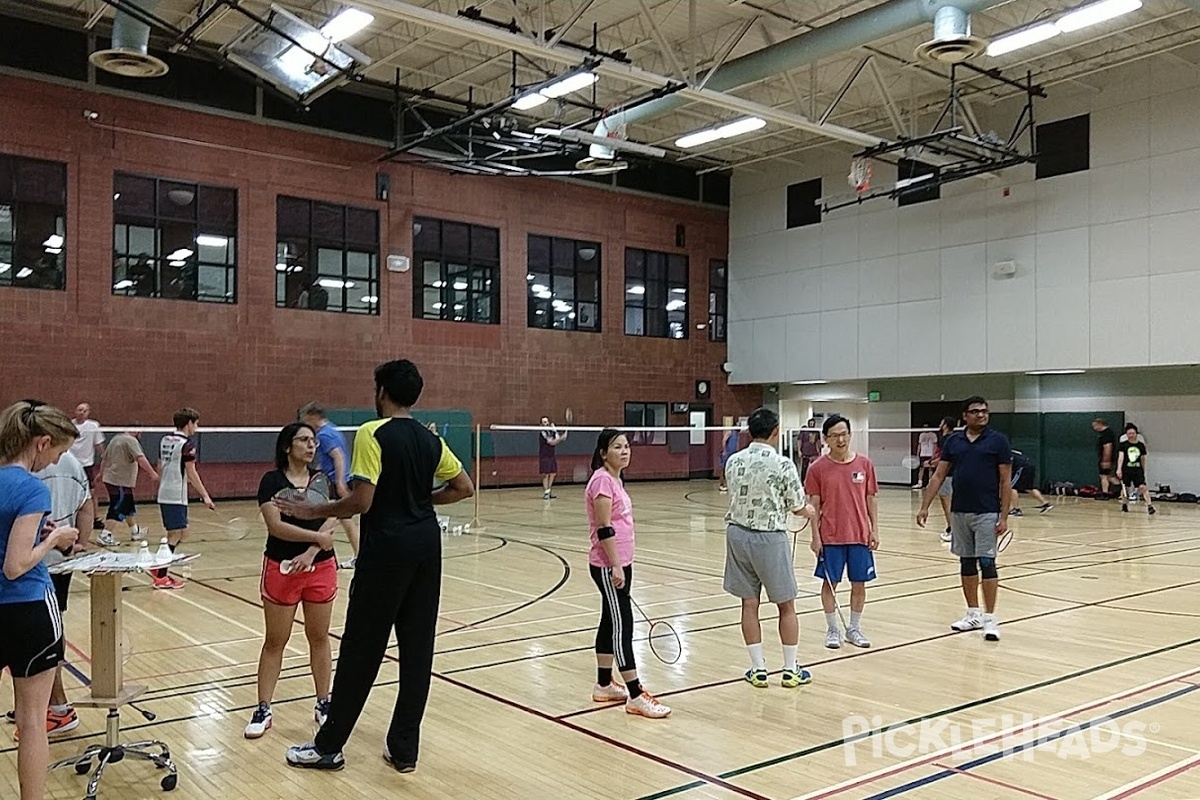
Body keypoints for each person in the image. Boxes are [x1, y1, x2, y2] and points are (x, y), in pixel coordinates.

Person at [280, 359, 474, 773]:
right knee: (418, 649)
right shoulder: (429, 439)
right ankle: (404, 750)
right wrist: (423, 502)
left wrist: (318, 509)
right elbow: (464, 488)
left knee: (361, 649)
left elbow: (362, 501)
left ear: (382, 392)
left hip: (387, 549)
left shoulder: (373, 432)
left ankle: (329, 746)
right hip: (426, 546)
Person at [0, 400, 80, 800]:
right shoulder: (32, 488)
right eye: (58, 453)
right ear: (40, 443)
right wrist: (51, 539)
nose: (54, 462)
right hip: (29, 611)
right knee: (32, 721)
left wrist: (33, 530)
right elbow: (14, 566)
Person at [245, 422, 338, 740]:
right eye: (303, 440)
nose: (311, 446)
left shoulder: (322, 480)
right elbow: (275, 526)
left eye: (313, 441)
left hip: (320, 567)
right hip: (281, 568)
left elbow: (333, 516)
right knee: (275, 640)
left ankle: (324, 703)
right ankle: (263, 708)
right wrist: (316, 538)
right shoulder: (271, 481)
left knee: (319, 637)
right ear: (288, 446)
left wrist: (312, 552)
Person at [723, 407, 813, 689]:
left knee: (749, 603)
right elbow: (798, 506)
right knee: (786, 605)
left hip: (737, 536)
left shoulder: (733, 461)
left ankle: (758, 669)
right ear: (775, 432)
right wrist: (809, 510)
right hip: (769, 539)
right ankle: (790, 670)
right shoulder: (783, 464)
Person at [584, 428, 672, 718]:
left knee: (610, 620)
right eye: (617, 447)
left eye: (626, 446)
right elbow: (604, 526)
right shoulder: (601, 482)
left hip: (619, 561)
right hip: (610, 564)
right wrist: (616, 565)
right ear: (602, 453)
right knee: (623, 623)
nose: (624, 451)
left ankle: (603, 684)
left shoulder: (614, 480)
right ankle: (635, 694)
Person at [917, 396, 1011, 642]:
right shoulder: (953, 442)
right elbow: (938, 476)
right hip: (960, 512)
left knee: (987, 563)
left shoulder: (998, 441)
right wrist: (924, 506)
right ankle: (973, 613)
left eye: (984, 411)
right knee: (966, 562)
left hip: (987, 512)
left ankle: (990, 618)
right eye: (975, 411)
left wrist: (1004, 516)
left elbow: (1005, 481)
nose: (981, 415)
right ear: (965, 416)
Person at [23, 447, 92, 740]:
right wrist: (81, 546)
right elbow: (87, 507)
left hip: (37, 565)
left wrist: (59, 541)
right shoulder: (74, 462)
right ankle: (37, 704)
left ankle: (58, 707)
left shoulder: (28, 474)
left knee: (44, 638)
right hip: (57, 561)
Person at [806, 415, 878, 650]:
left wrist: (874, 529)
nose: (841, 439)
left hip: (859, 535)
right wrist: (815, 537)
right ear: (826, 439)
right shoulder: (817, 468)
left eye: (844, 434)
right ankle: (832, 629)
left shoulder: (865, 464)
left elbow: (870, 499)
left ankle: (854, 628)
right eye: (835, 435)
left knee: (860, 583)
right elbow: (813, 505)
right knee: (830, 584)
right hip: (831, 537)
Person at [153, 408, 214, 590]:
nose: (197, 427)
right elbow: (192, 472)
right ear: (189, 423)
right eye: (196, 423)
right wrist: (205, 496)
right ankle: (161, 576)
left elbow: (160, 466)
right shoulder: (187, 445)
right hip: (175, 495)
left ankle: (159, 566)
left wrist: (162, 483)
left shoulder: (165, 439)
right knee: (175, 534)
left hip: (166, 492)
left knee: (183, 532)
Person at [299, 403, 359, 569]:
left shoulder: (325, 435)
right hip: (334, 479)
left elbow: (338, 457)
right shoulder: (332, 429)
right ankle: (357, 555)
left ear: (314, 417)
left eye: (307, 419)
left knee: (331, 519)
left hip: (334, 481)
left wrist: (339, 482)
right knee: (344, 520)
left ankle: (319, 555)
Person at [97, 428, 157, 546]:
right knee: (118, 506)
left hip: (112, 479)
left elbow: (104, 458)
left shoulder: (115, 439)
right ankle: (105, 534)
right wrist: (152, 473)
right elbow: (140, 458)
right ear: (136, 432)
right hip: (119, 480)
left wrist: (101, 473)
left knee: (128, 505)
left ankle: (135, 531)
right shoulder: (131, 441)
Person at [68, 402, 105, 531]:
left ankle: (95, 518)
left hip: (87, 464)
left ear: (89, 412)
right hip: (71, 464)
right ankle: (71, 517)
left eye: (84, 410)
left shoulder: (93, 426)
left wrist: (104, 460)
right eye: (79, 409)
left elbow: (99, 445)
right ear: (75, 411)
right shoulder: (69, 425)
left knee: (92, 492)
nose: (82, 412)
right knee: (71, 491)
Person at [1117, 423, 1156, 515]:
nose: (1131, 435)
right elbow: (1121, 457)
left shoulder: (1141, 445)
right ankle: (1124, 504)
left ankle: (1149, 506)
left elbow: (1142, 458)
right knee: (1125, 488)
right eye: (1129, 433)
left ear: (1136, 434)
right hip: (1126, 470)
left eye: (1133, 433)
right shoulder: (1123, 445)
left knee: (1143, 487)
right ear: (1126, 435)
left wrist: (1143, 469)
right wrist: (1119, 469)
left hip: (1137, 470)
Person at [931, 417, 957, 543]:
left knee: (947, 503)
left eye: (942, 422)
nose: (940, 423)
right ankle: (952, 528)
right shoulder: (952, 438)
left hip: (947, 475)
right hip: (953, 475)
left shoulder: (947, 439)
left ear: (945, 425)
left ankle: (953, 530)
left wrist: (933, 462)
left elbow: (945, 458)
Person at [1009, 450, 1053, 516]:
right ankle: (1045, 503)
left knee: (1011, 487)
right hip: (1029, 466)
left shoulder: (1005, 454)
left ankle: (1016, 510)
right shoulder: (1012, 452)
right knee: (1029, 488)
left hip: (1022, 467)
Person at [539, 416, 567, 500]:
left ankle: (549, 491)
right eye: (544, 422)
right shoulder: (542, 432)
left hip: (552, 455)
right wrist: (561, 439)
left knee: (553, 473)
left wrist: (556, 432)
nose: (546, 423)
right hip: (544, 455)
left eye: (546, 422)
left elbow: (557, 438)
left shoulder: (551, 431)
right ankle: (546, 492)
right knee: (545, 474)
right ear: (541, 424)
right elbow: (551, 442)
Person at [1092, 418, 1118, 498]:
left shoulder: (1106, 434)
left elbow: (1108, 447)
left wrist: (1106, 460)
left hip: (1107, 459)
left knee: (1106, 476)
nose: (1094, 428)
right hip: (1106, 458)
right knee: (1105, 476)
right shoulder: (1105, 433)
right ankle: (1105, 493)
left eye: (1095, 425)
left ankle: (1119, 490)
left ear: (1100, 424)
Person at [796, 418, 822, 482]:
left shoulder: (816, 431)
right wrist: (799, 451)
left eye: (813, 423)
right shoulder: (804, 431)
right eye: (810, 423)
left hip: (814, 453)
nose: (811, 424)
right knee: (804, 468)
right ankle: (803, 482)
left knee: (815, 468)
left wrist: (819, 452)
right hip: (805, 452)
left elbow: (818, 442)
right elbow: (799, 441)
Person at [718, 425, 739, 493]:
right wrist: (724, 450)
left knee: (732, 469)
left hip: (733, 454)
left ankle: (730, 484)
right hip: (727, 453)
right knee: (723, 469)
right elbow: (724, 441)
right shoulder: (729, 432)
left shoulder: (737, 434)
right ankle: (721, 485)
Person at [915, 426, 937, 490]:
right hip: (923, 454)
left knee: (930, 469)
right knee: (921, 469)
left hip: (930, 454)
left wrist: (934, 454)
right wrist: (917, 453)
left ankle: (930, 483)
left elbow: (935, 445)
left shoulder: (933, 435)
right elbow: (919, 444)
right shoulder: (921, 435)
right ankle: (920, 483)